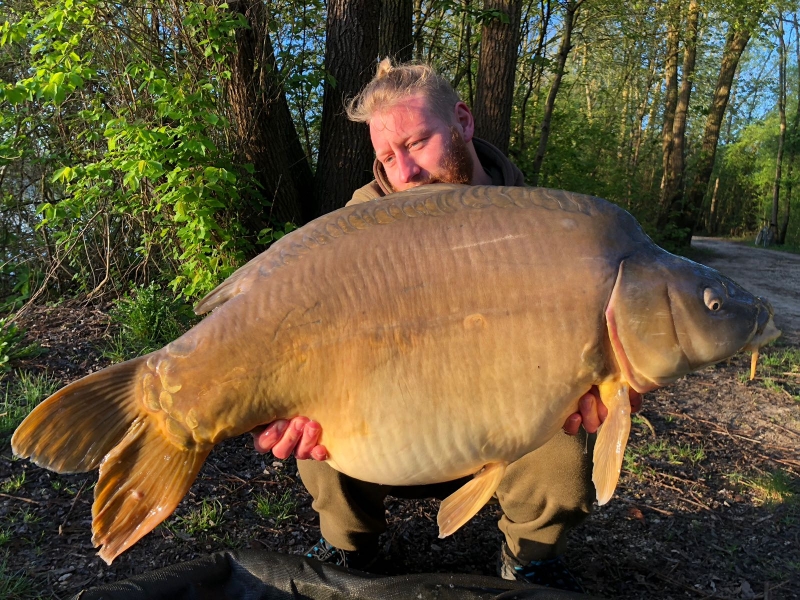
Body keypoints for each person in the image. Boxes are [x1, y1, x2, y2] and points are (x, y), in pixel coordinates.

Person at [251, 59, 642, 592]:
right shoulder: (356, 230)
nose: (404, 173)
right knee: (318, 413)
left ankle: (530, 556)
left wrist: (612, 376)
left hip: (504, 421)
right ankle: (347, 548)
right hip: (394, 429)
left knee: (568, 421)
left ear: (463, 121)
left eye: (415, 143)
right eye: (386, 157)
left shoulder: (542, 225)